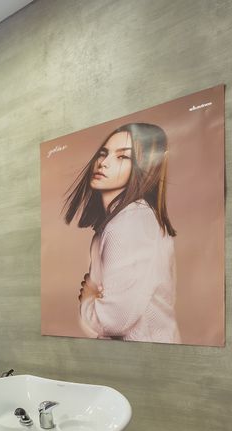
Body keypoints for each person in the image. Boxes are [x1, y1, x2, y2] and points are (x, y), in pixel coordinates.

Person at [63, 122, 180, 343]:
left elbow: (113, 320)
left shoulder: (131, 222)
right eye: (103, 153)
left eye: (122, 157)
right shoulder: (128, 219)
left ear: (144, 167)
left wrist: (88, 299)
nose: (103, 163)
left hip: (146, 355)